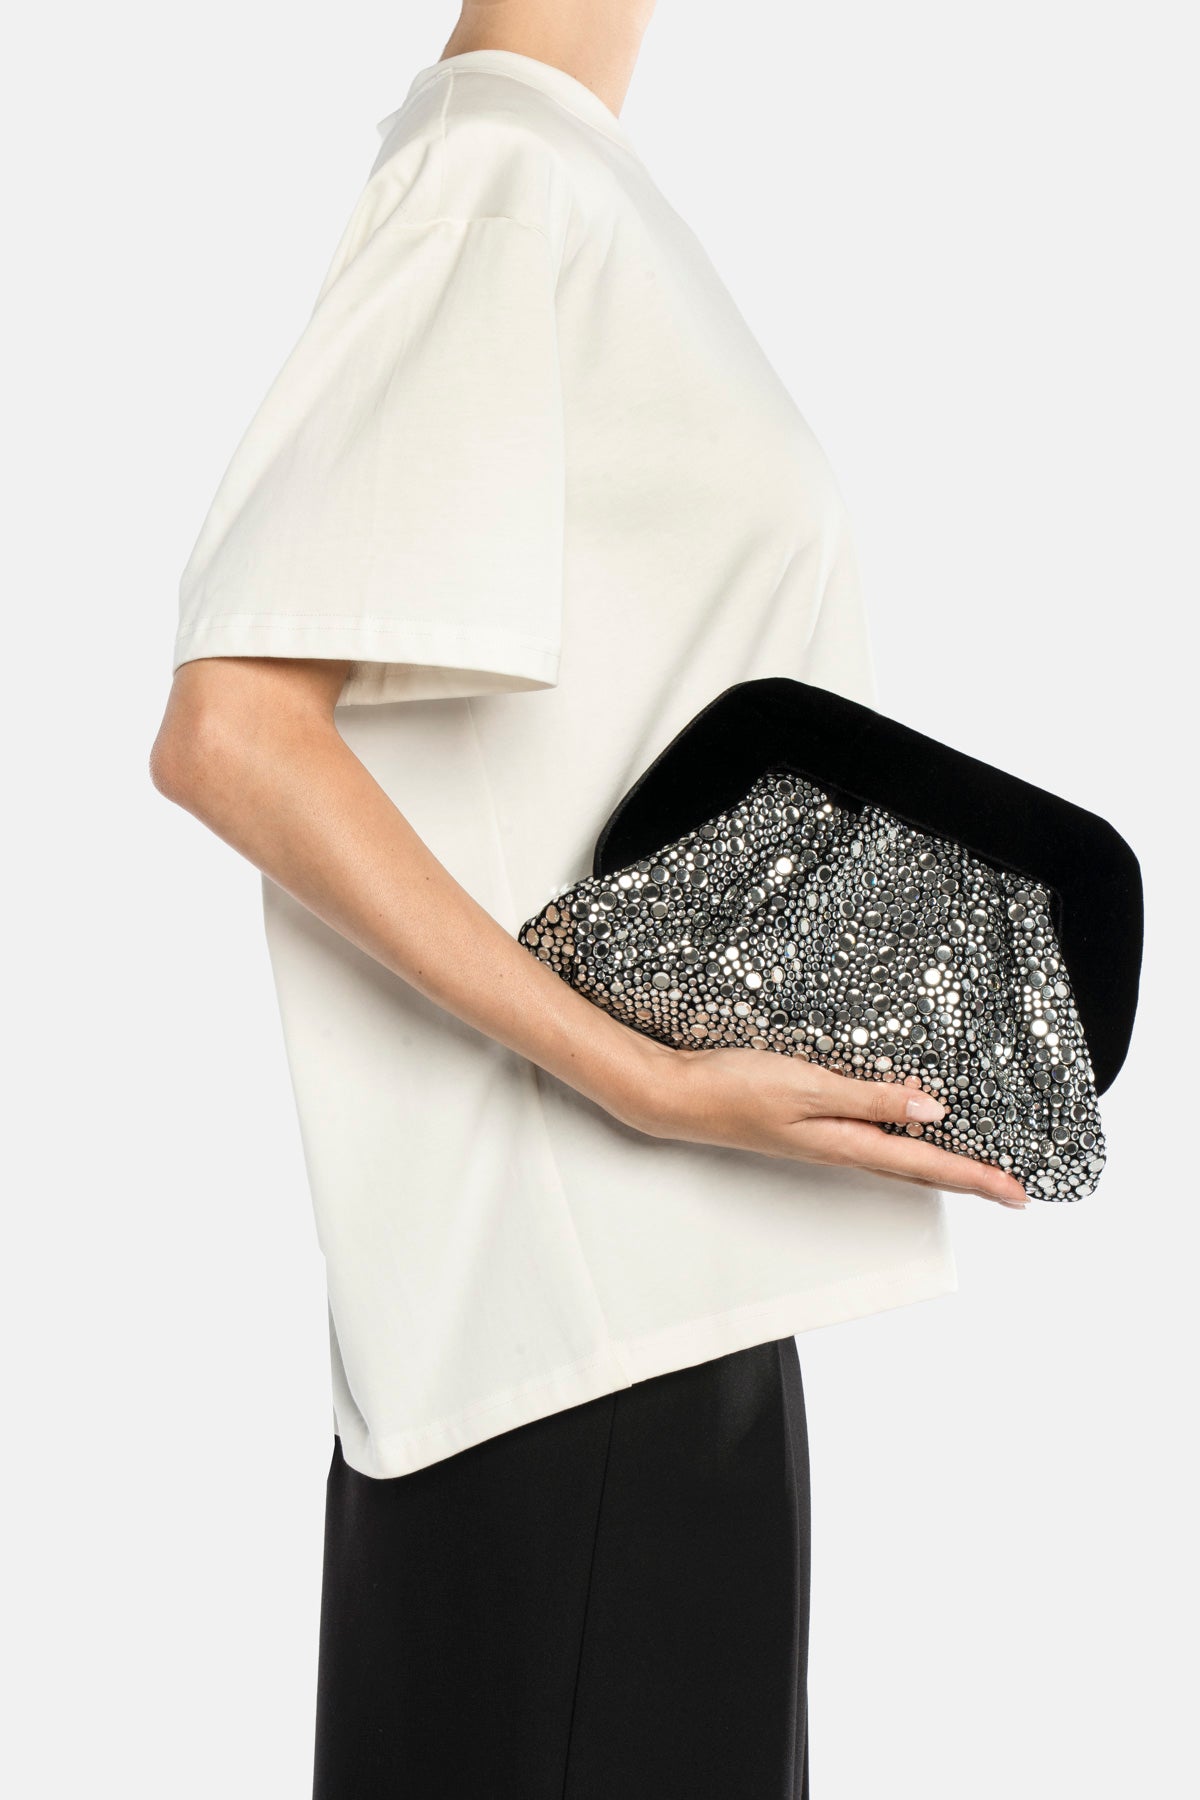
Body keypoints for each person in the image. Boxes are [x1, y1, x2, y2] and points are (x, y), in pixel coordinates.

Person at [151, 3, 1029, 1793]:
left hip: (657, 1320)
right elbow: (232, 732)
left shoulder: (559, 178)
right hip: (571, 1360)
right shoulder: (494, 174)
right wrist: (641, 1078)